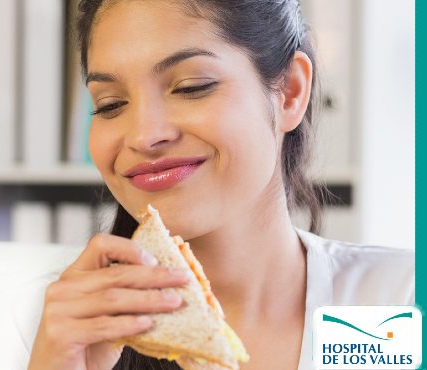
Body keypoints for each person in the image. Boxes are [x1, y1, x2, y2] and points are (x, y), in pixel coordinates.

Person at [26, 1, 415, 369]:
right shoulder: (57, 329)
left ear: (290, 92)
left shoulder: (399, 302)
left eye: (192, 86)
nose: (144, 136)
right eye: (110, 104)